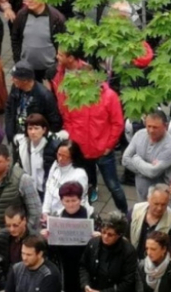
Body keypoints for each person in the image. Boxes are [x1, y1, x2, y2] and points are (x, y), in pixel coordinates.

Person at [52, 48, 127, 211]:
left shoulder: (109, 96)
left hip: (102, 151)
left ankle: (125, 214)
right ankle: (90, 216)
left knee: (113, 186)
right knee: (85, 187)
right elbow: (68, 118)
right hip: (81, 150)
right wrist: (73, 140)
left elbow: (117, 123)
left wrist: (109, 145)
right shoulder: (75, 96)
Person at [40, 182, 99, 292]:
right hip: (68, 267)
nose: (71, 204)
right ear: (62, 201)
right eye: (67, 201)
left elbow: (104, 242)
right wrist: (47, 239)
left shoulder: (91, 216)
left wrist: (98, 238)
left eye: (74, 200)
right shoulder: (57, 218)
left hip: (88, 269)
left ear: (80, 199)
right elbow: (53, 250)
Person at [122, 110, 171, 201]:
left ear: (165, 126)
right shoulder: (139, 135)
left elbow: (152, 173)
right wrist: (146, 170)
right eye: (148, 126)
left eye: (155, 127)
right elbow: (125, 159)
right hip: (141, 192)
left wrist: (136, 159)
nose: (151, 130)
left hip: (161, 197)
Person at [10, 0, 64, 79]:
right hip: (26, 68)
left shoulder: (56, 18)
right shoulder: (22, 15)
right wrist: (18, 60)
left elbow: (62, 44)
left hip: (50, 69)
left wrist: (57, 65)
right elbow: (15, 38)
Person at [4, 61, 62, 142]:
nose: (12, 80)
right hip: (18, 137)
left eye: (15, 78)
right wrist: (10, 131)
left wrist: (41, 139)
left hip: (34, 139)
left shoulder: (45, 96)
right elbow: (9, 107)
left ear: (25, 81)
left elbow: (55, 122)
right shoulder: (16, 87)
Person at [13, 112, 65, 199]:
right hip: (29, 189)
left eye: (36, 128)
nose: (33, 132)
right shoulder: (22, 146)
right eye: (30, 129)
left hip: (47, 190)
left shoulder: (53, 147)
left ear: (44, 130)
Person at [130, 184, 171, 257]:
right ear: (148, 199)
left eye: (163, 205)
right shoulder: (135, 210)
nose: (159, 208)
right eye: (156, 204)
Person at [41, 138, 88, 215]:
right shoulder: (55, 165)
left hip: (68, 215)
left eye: (64, 156)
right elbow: (48, 188)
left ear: (72, 157)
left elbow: (77, 201)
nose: (60, 159)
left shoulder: (79, 175)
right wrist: (45, 210)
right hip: (52, 213)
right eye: (59, 154)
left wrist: (57, 216)